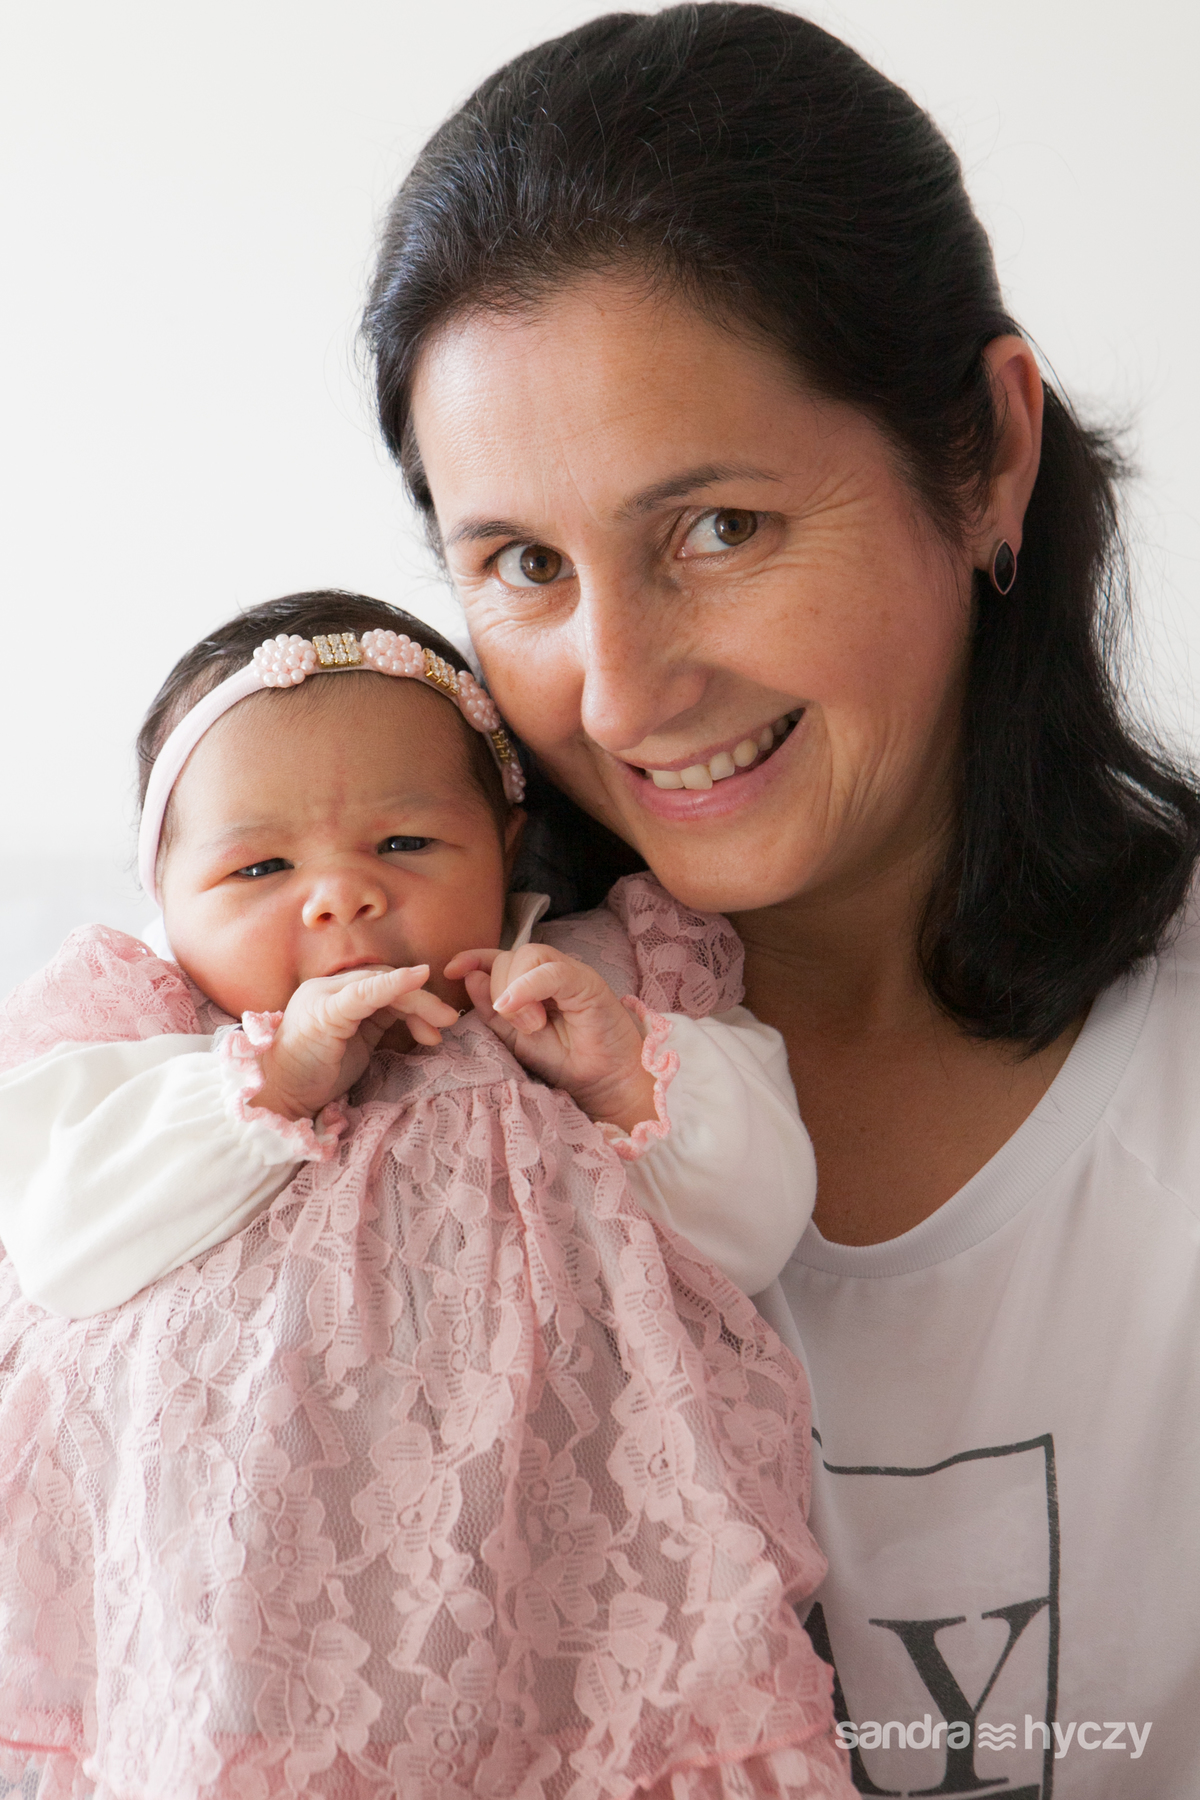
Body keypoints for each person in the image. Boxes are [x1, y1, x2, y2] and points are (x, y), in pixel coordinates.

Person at [361, 5, 1200, 1795]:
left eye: (718, 529)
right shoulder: (385, 1112)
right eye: (524, 563)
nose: (618, 690)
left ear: (989, 451)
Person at [0, 590, 851, 1798]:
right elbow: (59, 1245)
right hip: (243, 1620)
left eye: (404, 844)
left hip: (574, 1607)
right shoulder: (156, 1045)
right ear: (165, 892)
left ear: (505, 841)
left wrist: (623, 1076)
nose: (339, 895)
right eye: (260, 866)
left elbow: (756, 1227)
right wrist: (269, 1081)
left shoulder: (589, 992)